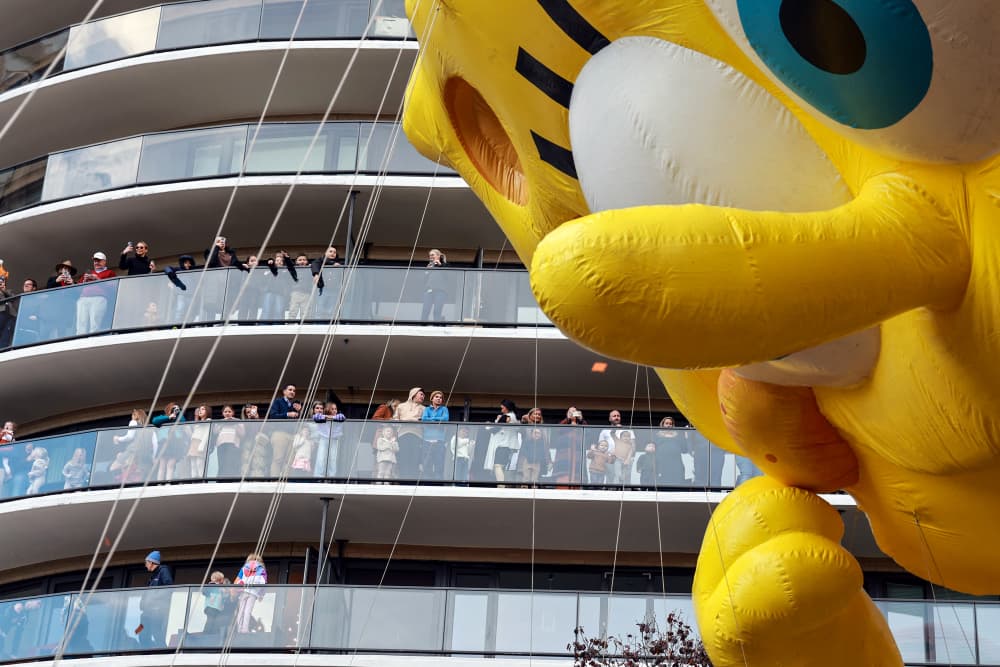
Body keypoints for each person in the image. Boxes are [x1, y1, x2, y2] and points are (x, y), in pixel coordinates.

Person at [75, 252, 116, 335]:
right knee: (81, 322)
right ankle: (80, 342)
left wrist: (97, 278)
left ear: (104, 261)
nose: (96, 263)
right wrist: (84, 280)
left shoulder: (109, 273)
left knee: (95, 322)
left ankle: (92, 340)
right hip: (83, 298)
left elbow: (114, 287)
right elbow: (77, 288)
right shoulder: (88, 274)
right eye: (95, 261)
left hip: (99, 298)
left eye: (99, 260)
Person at [140, 551, 174, 648]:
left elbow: (169, 587)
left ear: (151, 562)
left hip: (156, 612)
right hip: (146, 613)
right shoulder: (153, 576)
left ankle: (164, 654)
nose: (145, 565)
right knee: (141, 633)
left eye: (146, 562)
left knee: (157, 634)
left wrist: (154, 600)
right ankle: (146, 653)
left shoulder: (163, 571)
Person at [268, 384, 301, 476]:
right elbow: (272, 416)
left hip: (292, 435)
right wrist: (287, 414)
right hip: (280, 433)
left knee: (289, 461)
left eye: (294, 391)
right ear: (284, 391)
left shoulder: (294, 405)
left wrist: (299, 411)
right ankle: (274, 481)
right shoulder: (278, 402)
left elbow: (299, 421)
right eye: (290, 390)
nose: (292, 392)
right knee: (278, 459)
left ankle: (286, 482)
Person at [485, 400, 520, 484]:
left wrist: (488, 426)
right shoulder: (513, 416)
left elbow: (495, 429)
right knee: (502, 466)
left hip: (503, 445)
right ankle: (502, 485)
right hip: (507, 445)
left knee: (498, 465)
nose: (501, 410)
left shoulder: (507, 416)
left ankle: (501, 486)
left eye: (502, 408)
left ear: (507, 408)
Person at [393, 388, 425, 479]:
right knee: (403, 458)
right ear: (413, 394)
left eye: (423, 395)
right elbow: (395, 420)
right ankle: (403, 479)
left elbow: (425, 422)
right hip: (403, 434)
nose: (423, 396)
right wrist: (411, 420)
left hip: (417, 435)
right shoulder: (401, 406)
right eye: (421, 394)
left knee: (415, 458)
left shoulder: (424, 408)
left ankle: (413, 480)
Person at [151, 403, 187, 481]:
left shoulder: (178, 418)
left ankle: (168, 483)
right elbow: (154, 421)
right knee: (162, 465)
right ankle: (160, 484)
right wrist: (168, 417)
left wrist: (178, 412)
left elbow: (184, 422)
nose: (174, 409)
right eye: (173, 408)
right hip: (164, 443)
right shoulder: (164, 417)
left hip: (175, 443)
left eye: (176, 408)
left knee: (171, 464)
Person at [234, 553, 267, 633]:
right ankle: (245, 629)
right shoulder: (261, 569)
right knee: (248, 611)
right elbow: (264, 583)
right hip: (253, 593)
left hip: (244, 591)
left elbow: (237, 581)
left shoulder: (244, 568)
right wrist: (261, 595)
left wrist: (239, 586)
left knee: (241, 611)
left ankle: (239, 629)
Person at [554, 407, 587, 485]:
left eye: (574, 411)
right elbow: (557, 430)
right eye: (571, 412)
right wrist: (567, 419)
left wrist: (581, 420)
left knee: (578, 480)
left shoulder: (581, 424)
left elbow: (588, 435)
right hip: (564, 458)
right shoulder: (564, 423)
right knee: (562, 480)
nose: (573, 413)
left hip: (578, 458)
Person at [420, 390, 449, 479]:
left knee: (439, 464)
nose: (439, 399)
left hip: (439, 440)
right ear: (432, 399)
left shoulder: (444, 409)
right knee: (427, 464)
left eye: (440, 398)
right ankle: (426, 484)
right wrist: (437, 420)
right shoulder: (427, 409)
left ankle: (438, 485)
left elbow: (445, 419)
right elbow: (424, 419)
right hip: (427, 440)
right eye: (437, 397)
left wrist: (432, 419)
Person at [653, 416, 687, 486]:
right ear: (663, 424)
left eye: (670, 424)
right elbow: (653, 448)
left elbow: (684, 449)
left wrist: (686, 437)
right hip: (662, 463)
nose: (669, 425)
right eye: (667, 423)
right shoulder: (657, 435)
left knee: (676, 481)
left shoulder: (678, 435)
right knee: (663, 482)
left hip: (676, 463)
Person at [214, 405, 244, 478]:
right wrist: (223, 423)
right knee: (222, 462)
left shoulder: (238, 421)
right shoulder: (220, 422)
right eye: (225, 411)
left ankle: (232, 479)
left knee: (231, 462)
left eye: (229, 411)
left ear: (233, 413)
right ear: (222, 413)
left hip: (233, 444)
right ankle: (221, 480)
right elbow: (215, 432)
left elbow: (242, 433)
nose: (227, 413)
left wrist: (234, 422)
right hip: (221, 444)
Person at [421, 248, 448, 321]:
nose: (431, 257)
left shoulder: (444, 265)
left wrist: (440, 265)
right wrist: (426, 271)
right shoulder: (429, 266)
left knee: (437, 310)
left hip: (440, 291)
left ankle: (437, 326)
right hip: (429, 291)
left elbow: (448, 276)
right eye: (430, 255)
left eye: (432, 255)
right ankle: (423, 326)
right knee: (425, 310)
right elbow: (423, 282)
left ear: (438, 256)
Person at [12, 278, 40, 345]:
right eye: (25, 284)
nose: (26, 285)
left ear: (34, 288)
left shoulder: (39, 299)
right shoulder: (19, 300)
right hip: (19, 331)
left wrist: (38, 316)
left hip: (32, 331)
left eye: (29, 284)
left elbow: (43, 312)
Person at [187, 405, 211, 479]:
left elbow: (207, 434)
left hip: (200, 443)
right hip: (194, 442)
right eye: (200, 409)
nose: (200, 411)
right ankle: (194, 481)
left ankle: (202, 480)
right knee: (193, 464)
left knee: (199, 463)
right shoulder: (198, 422)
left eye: (203, 409)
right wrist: (197, 417)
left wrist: (202, 445)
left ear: (207, 411)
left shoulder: (208, 420)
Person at [202, 571, 228, 637]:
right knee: (210, 620)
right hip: (210, 607)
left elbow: (225, 597)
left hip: (218, 608)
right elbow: (204, 592)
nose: (223, 580)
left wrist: (224, 590)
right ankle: (206, 633)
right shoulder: (211, 585)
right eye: (222, 579)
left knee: (216, 621)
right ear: (218, 579)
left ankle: (213, 633)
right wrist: (211, 585)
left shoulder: (221, 588)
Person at [0, 276, 16, 348]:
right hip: (1, 313)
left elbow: (14, 298)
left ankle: (3, 348)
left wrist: (4, 291)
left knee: (7, 332)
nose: (1, 283)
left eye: (2, 282)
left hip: (10, 315)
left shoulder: (9, 291)